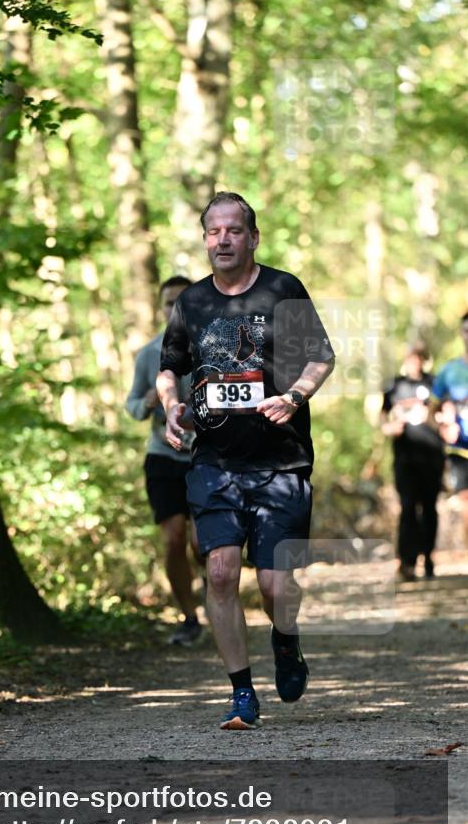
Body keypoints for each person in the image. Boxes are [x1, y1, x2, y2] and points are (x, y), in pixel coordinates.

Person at [157, 191, 335, 729]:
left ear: (253, 237)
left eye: (234, 230)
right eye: (214, 231)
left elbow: (321, 357)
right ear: (205, 239)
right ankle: (241, 692)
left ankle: (285, 640)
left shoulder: (284, 289)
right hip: (214, 463)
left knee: (276, 585)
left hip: (281, 463)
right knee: (219, 573)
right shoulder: (191, 301)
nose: (224, 240)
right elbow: (169, 368)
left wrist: (295, 396)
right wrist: (170, 407)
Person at [126, 276, 203, 646]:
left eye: (182, 301)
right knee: (173, 540)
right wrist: (148, 402)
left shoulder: (213, 349)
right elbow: (132, 405)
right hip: (162, 456)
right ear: (160, 308)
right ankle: (189, 617)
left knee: (203, 543)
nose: (175, 309)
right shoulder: (148, 354)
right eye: (169, 303)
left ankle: (217, 592)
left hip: (205, 457)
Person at [381, 343, 445, 580]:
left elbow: (444, 411)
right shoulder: (394, 385)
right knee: (407, 506)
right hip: (405, 456)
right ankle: (407, 561)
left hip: (431, 454)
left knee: (429, 507)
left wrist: (434, 417)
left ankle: (428, 557)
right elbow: (383, 414)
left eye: (418, 358)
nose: (414, 363)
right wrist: (389, 427)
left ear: (423, 360)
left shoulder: (434, 383)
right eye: (411, 358)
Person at [432, 312, 468, 544]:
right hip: (459, 450)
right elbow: (431, 410)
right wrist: (444, 425)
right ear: (461, 333)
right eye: (466, 330)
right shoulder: (450, 371)